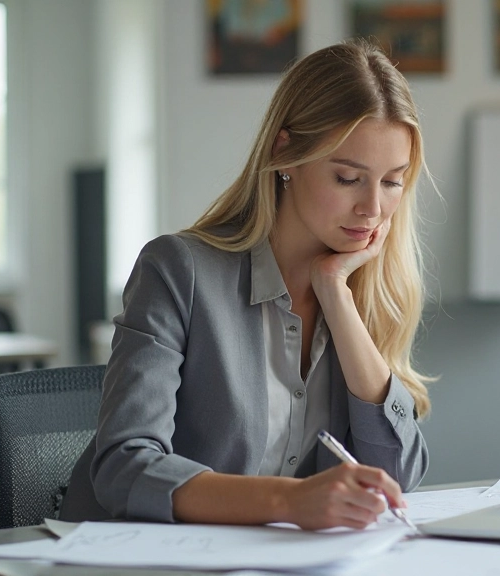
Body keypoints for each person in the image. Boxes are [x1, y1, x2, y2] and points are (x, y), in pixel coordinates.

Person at [60, 39, 433, 530]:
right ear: (287, 155)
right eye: (347, 178)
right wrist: (289, 501)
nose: (373, 209)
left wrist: (336, 295)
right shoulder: (178, 271)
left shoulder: (363, 289)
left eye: (391, 182)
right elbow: (124, 467)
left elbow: (397, 475)